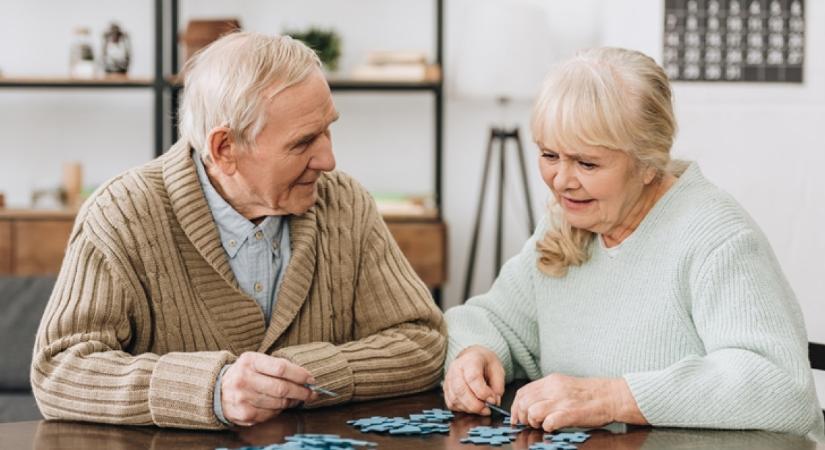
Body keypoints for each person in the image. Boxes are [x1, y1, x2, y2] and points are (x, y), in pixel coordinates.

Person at [31, 32, 446, 430]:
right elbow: (59, 370)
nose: (329, 159)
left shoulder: (346, 203)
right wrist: (212, 389)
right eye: (303, 143)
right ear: (224, 148)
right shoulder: (121, 214)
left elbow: (423, 342)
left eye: (328, 129)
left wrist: (299, 378)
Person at [442, 47, 823, 436]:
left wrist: (613, 397)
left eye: (586, 163)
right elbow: (489, 319)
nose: (561, 180)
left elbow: (782, 388)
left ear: (648, 162)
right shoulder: (569, 224)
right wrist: (475, 354)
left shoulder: (716, 236)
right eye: (549, 154)